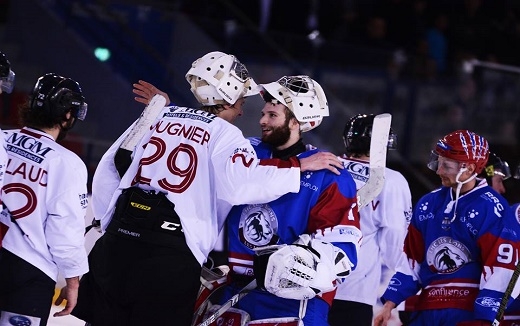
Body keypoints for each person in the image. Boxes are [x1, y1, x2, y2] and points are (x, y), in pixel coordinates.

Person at [71, 52, 344, 326]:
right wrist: (298, 166)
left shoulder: (160, 116)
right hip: (168, 257)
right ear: (228, 95)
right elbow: (243, 184)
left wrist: (110, 223)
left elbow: (110, 169)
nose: (241, 111)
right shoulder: (228, 135)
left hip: (115, 245)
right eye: (241, 102)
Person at [213, 75, 361, 326]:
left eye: (272, 115)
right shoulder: (247, 152)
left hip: (291, 302)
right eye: (263, 113)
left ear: (296, 121)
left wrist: (302, 265)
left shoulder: (330, 175)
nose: (261, 120)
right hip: (234, 293)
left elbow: (342, 249)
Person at [374, 129, 518, 326]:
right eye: (438, 162)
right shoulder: (429, 203)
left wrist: (485, 318)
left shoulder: (492, 208)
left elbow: (501, 268)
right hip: (427, 308)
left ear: (468, 168)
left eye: (446, 165)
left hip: (466, 312)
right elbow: (411, 260)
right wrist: (390, 303)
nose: (439, 170)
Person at [0, 73, 89, 326]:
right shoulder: (66, 162)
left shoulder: (2, 139)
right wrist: (73, 280)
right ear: (68, 116)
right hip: (28, 270)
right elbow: (65, 230)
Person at [328, 114, 412, 326]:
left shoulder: (324, 167)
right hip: (354, 290)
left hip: (310, 284)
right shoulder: (390, 180)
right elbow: (395, 243)